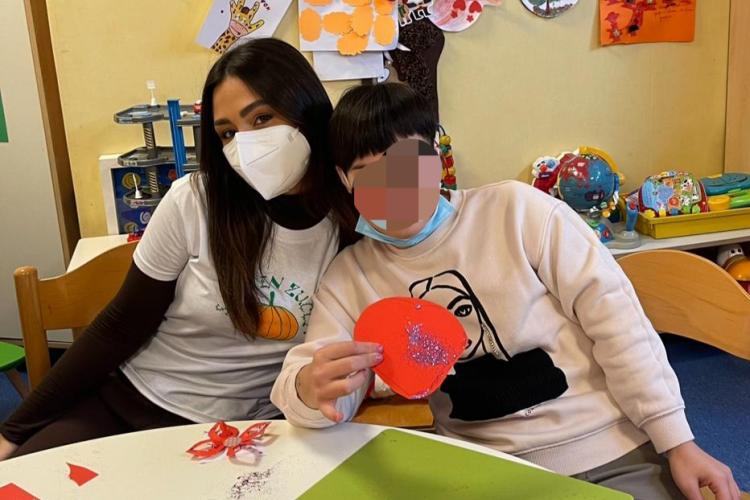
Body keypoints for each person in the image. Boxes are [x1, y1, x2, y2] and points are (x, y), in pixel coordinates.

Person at [271, 83, 740, 500]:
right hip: (481, 471)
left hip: (609, 450)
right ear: (345, 180)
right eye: (369, 173)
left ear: (435, 156)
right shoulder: (350, 277)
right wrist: (311, 390)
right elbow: (313, 387)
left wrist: (677, 442)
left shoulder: (518, 212)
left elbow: (620, 325)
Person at [0, 38, 357, 459]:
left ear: (306, 111)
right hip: (132, 403)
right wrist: (12, 432)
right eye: (227, 133)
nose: (245, 146)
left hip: (252, 432)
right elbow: (119, 325)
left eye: (262, 118)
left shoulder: (354, 219)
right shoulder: (194, 200)